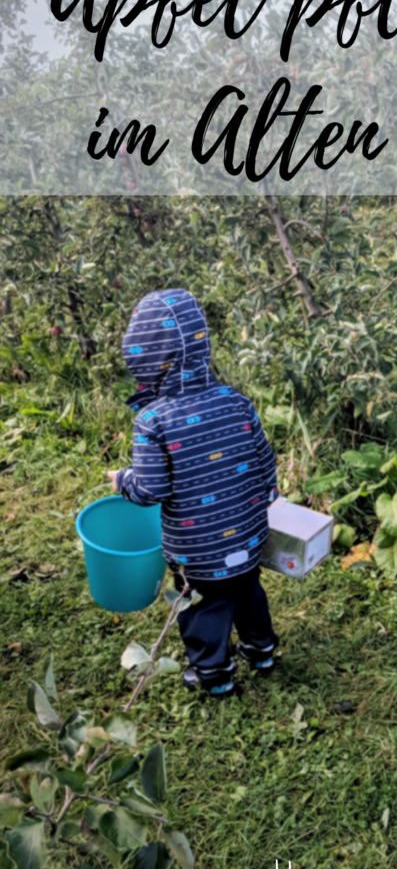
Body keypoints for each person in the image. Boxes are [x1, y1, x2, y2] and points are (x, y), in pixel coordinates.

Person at [106, 288, 279, 698]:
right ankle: (262, 650)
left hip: (197, 548)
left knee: (206, 607)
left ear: (142, 357)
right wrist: (265, 499)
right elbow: (265, 462)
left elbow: (152, 489)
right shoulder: (237, 401)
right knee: (247, 590)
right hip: (248, 534)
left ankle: (214, 674)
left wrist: (122, 481)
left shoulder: (152, 420)